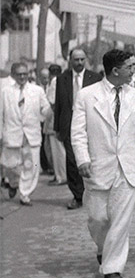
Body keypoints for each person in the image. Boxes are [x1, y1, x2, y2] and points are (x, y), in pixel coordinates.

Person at [71, 49, 135, 278]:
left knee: (120, 220)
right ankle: (102, 246)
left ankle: (112, 267)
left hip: (127, 168)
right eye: (130, 67)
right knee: (98, 219)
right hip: (97, 166)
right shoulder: (87, 95)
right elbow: (77, 133)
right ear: (115, 70)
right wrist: (82, 158)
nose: (134, 71)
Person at [54, 48, 102, 209]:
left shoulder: (95, 78)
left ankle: (92, 193)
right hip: (68, 125)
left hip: (90, 125)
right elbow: (59, 105)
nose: (79, 62)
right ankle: (77, 195)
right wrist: (57, 128)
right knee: (72, 161)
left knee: (90, 159)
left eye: (82, 59)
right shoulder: (62, 79)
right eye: (76, 59)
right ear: (70, 60)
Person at [0, 62, 50, 205]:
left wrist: (50, 111)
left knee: (31, 165)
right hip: (12, 133)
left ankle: (25, 193)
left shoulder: (37, 90)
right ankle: (14, 184)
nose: (22, 77)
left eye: (24, 74)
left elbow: (45, 108)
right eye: (19, 74)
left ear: (28, 74)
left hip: (31, 134)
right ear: (13, 75)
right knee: (9, 164)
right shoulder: (5, 92)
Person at [45, 64, 67, 186]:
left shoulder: (55, 82)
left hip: (54, 118)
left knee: (56, 149)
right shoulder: (60, 80)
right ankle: (59, 174)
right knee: (57, 149)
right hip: (57, 117)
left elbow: (53, 103)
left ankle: (60, 176)